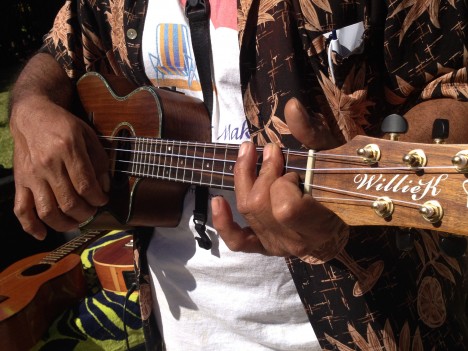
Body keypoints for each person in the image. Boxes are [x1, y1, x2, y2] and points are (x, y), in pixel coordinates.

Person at [8, 0, 468, 350]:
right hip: (178, 321)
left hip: (365, 318)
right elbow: (59, 50)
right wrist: (29, 107)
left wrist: (350, 192)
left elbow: (456, 83)